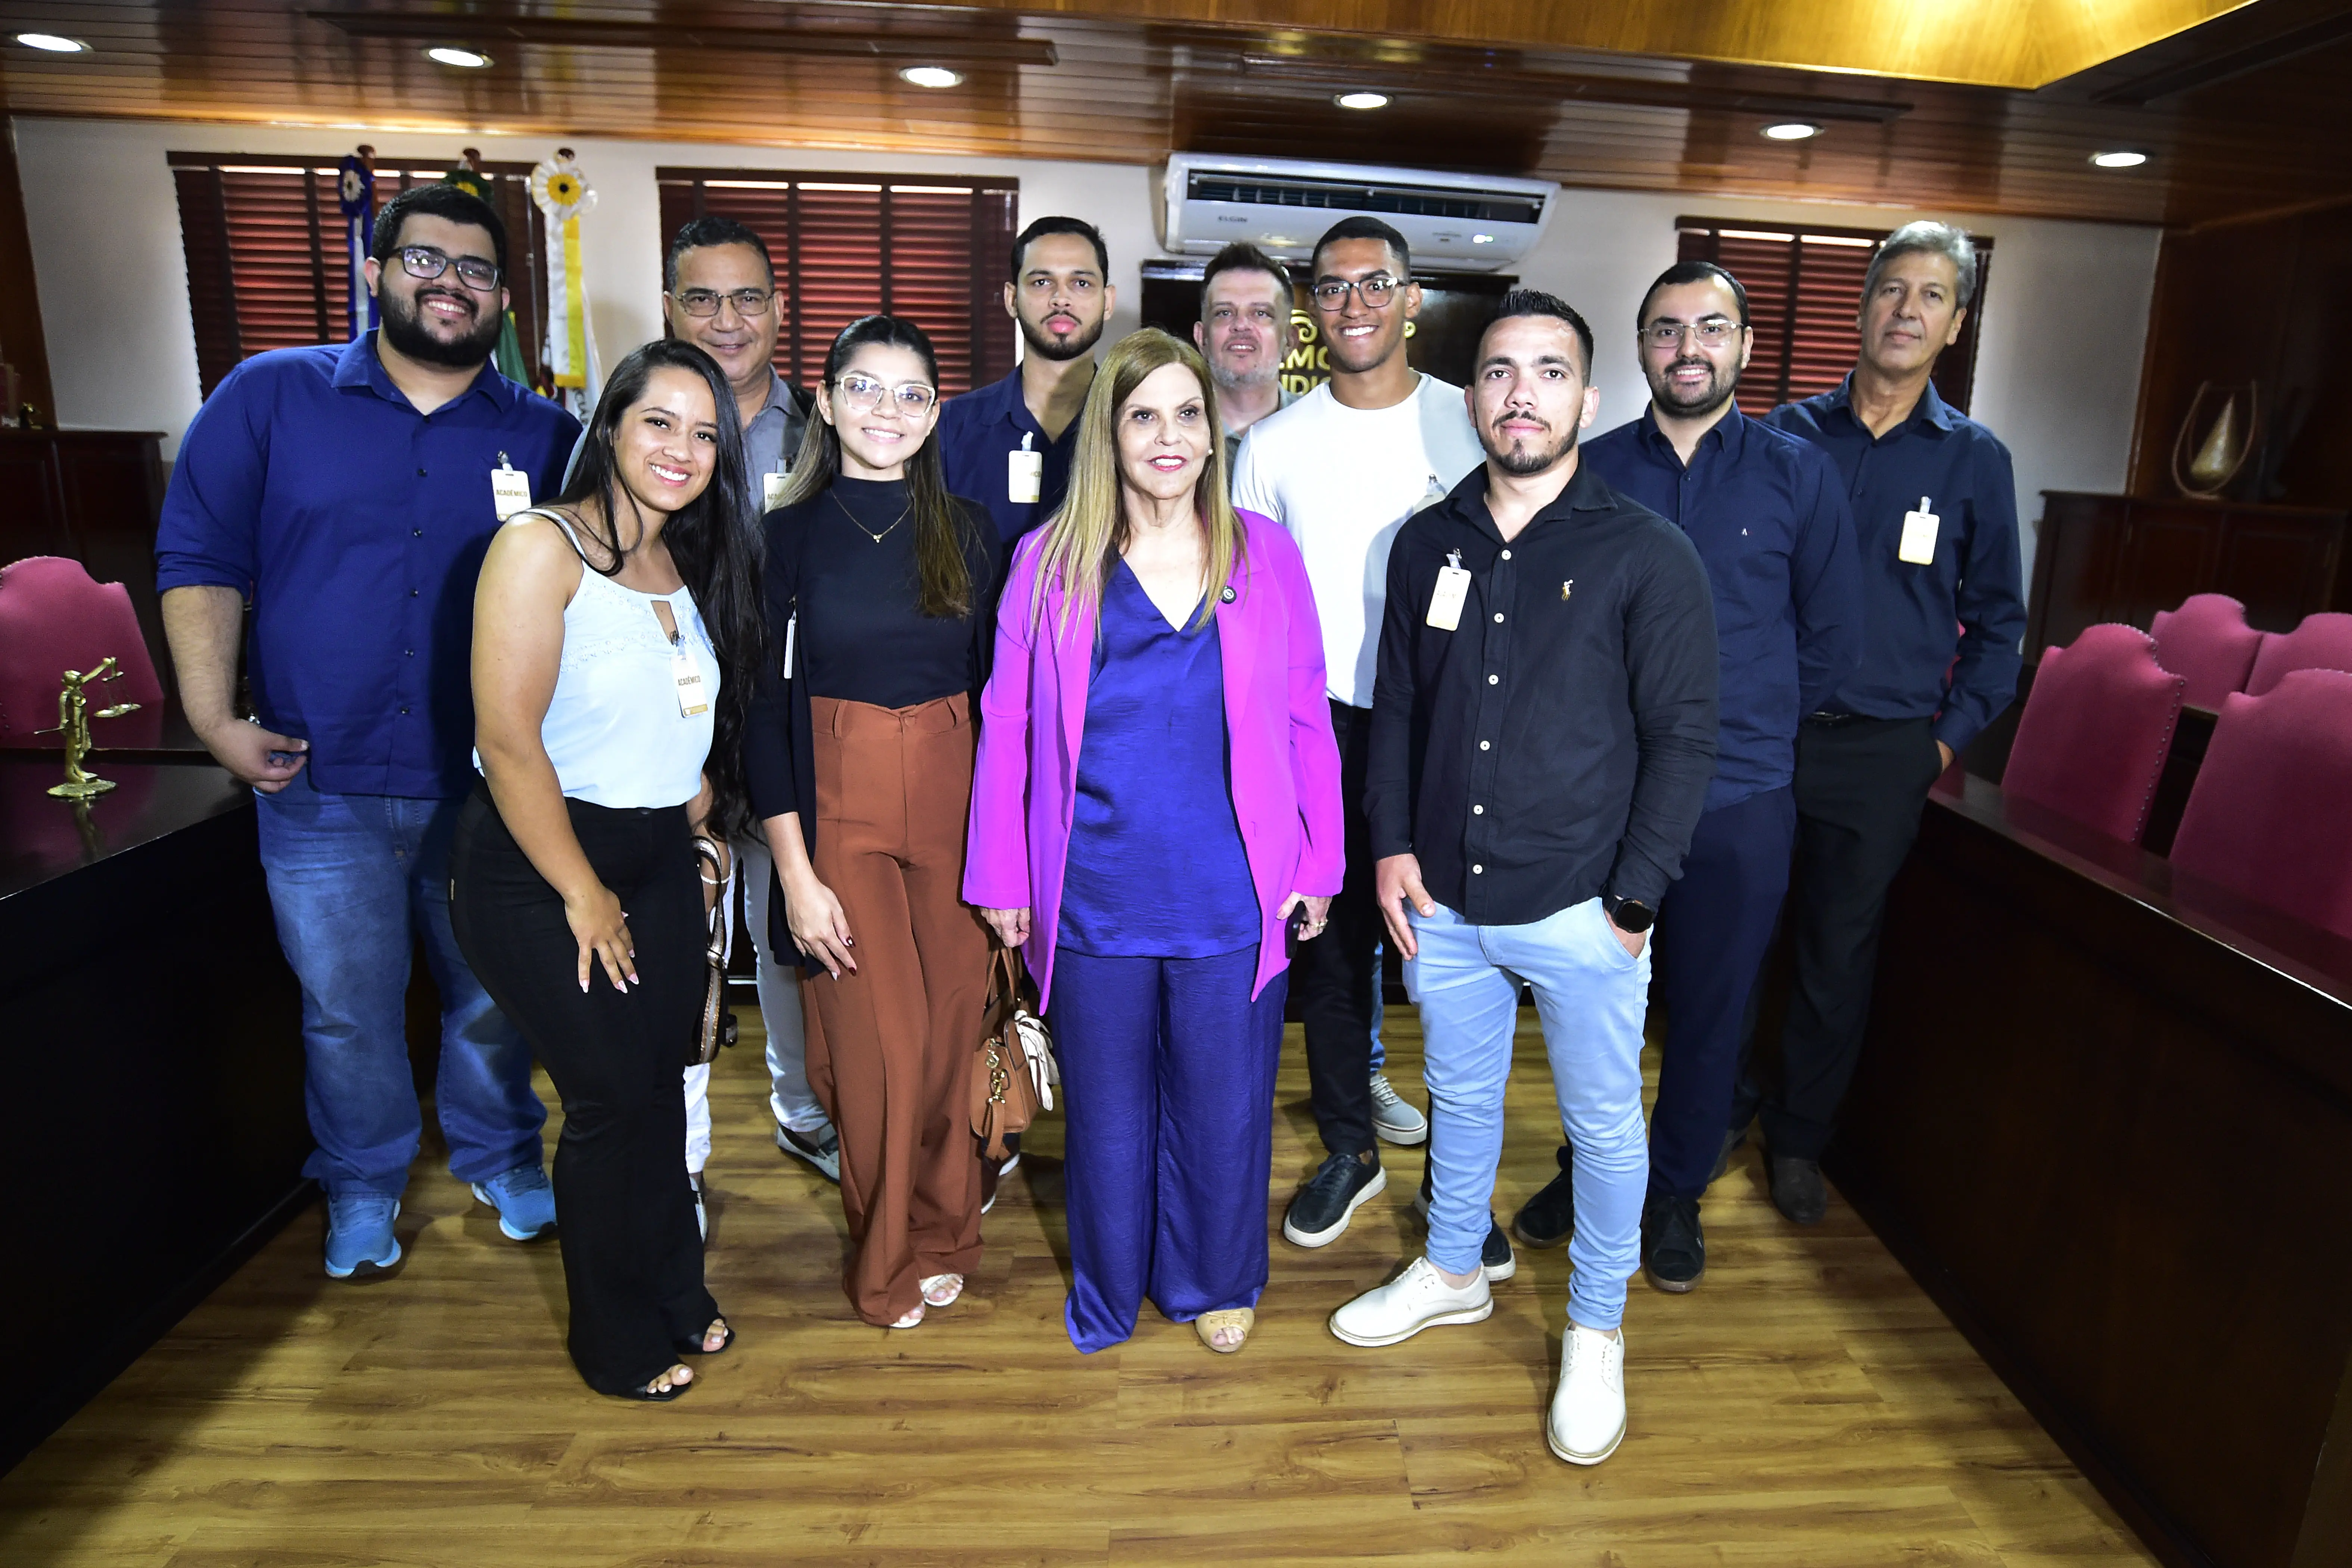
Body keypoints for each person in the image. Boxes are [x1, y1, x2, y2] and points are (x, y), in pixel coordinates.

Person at [157, 183, 578, 1282]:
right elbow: (200, 555)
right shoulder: (269, 397)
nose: (451, 283)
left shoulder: (545, 433)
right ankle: (362, 1179)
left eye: (478, 270)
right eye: (426, 259)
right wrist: (211, 718)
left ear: (502, 297)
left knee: (493, 991)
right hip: (319, 774)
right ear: (376, 269)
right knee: (346, 1007)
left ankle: (502, 1155)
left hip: (487, 784)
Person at [1333, 291, 1717, 1467]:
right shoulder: (1422, 539)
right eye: (1500, 371)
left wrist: (1636, 901)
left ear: (1587, 401)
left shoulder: (1646, 553)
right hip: (1445, 900)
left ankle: (1596, 1330)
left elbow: (1685, 736)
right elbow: (1397, 707)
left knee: (1604, 1129)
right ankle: (1455, 1264)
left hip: (1583, 905)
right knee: (1462, 1093)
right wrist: (1391, 846)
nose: (1521, 393)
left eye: (1549, 372)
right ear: (1473, 398)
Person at [966, 329, 1344, 1356]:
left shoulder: (1264, 553)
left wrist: (1319, 861)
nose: (1168, 436)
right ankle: (1108, 1286)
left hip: (1233, 890)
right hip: (1091, 891)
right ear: (1110, 433)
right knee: (1106, 1113)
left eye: (1187, 413)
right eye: (1143, 415)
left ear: (1213, 432)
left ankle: (1213, 1279)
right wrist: (1001, 873)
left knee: (1223, 1110)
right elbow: (1007, 726)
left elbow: (1306, 716)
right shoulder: (1048, 560)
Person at [1508, 261, 1861, 1290]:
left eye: (1710, 328)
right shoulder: (1589, 468)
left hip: (1739, 799)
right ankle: (1591, 1173)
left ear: (1744, 347)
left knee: (1711, 1010)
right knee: (1592, 1010)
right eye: (1665, 330)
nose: (1687, 347)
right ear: (1640, 350)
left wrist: (1731, 725)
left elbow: (1831, 639)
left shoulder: (1798, 474)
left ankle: (1670, 1195)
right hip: (1602, 802)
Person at [452, 338, 763, 1399]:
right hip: (543, 866)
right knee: (609, 1104)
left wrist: (700, 820)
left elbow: (666, 712)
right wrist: (585, 892)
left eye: (705, 433)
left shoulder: (682, 560)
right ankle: (614, 1338)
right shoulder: (541, 547)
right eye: (660, 422)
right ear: (613, 425)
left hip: (657, 856)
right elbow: (509, 742)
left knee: (663, 1096)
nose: (682, 449)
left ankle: (676, 1290)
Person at [1740, 221, 2026, 1225]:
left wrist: (1936, 746)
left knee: (1834, 954)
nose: (1906, 311)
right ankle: (1714, 1102)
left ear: (1955, 322)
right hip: (1766, 740)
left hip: (1882, 752)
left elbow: (2000, 630)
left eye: (1931, 296)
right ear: (1859, 304)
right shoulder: (1779, 436)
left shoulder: (1973, 462)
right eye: (1891, 290)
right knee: (1733, 936)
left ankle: (1798, 1138)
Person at [744, 316, 1005, 1329]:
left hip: (957, 790)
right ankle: (884, 1258)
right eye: (864, 387)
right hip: (835, 798)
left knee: (948, 1034)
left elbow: (1006, 705)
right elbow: (763, 711)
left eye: (908, 394)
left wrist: (1012, 866)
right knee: (878, 1046)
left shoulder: (976, 531)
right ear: (824, 399)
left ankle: (946, 1230)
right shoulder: (786, 535)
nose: (885, 411)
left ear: (934, 412)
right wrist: (796, 875)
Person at [567, 217, 833, 1210]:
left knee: (779, 938)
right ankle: (672, 1168)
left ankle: (800, 1112)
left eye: (748, 298)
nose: (728, 320)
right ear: (671, 307)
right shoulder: (625, 431)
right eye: (703, 299)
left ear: (779, 310)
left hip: (781, 736)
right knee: (675, 950)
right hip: (659, 746)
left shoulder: (826, 435)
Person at [1232, 215, 1484, 1247]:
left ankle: (1461, 1190)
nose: (1354, 304)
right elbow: (1245, 611)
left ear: (1413, 298)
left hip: (1457, 717)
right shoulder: (1274, 445)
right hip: (1323, 724)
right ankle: (1350, 1147)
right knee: (1329, 949)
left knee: (1459, 949)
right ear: (1310, 310)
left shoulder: (1469, 422)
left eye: (1375, 283)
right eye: (1332, 289)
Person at [937, 216, 1114, 544]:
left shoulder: (1132, 425)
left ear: (1108, 302)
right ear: (1011, 299)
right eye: (1041, 282)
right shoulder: (953, 426)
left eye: (1081, 283)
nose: (1061, 299)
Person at [1192, 241, 1297, 445]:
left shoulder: (1324, 431)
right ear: (1201, 338)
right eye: (1224, 313)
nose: (1241, 325)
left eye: (1261, 313)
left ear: (1290, 340)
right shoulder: (1173, 436)